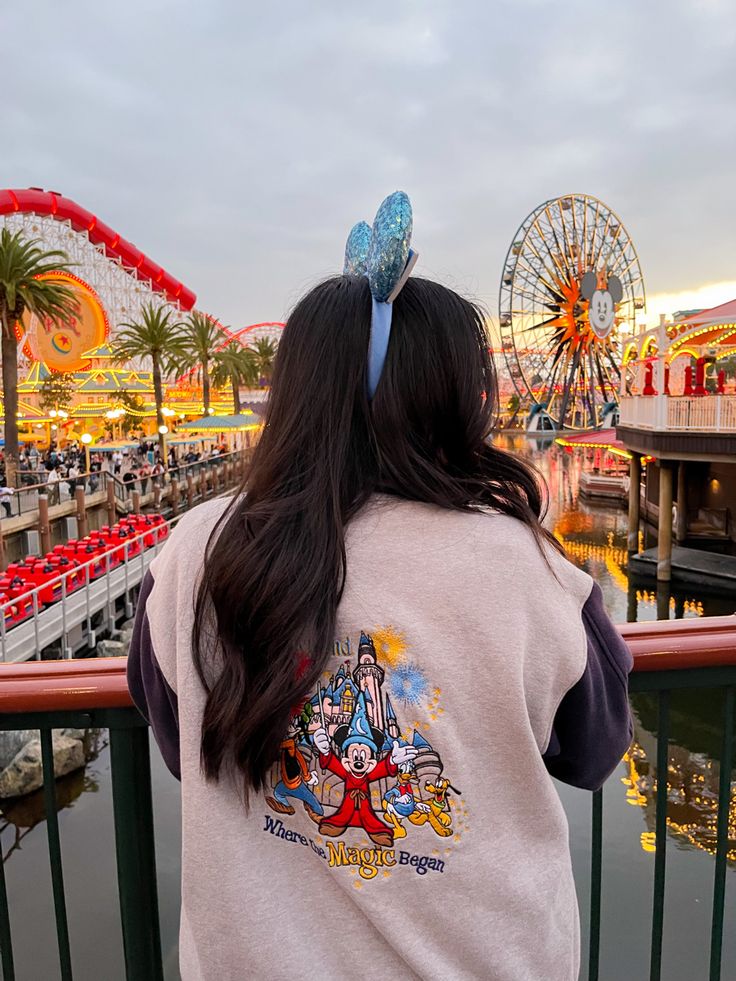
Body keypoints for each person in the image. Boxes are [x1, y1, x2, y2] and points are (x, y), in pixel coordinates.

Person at [128, 192, 632, 981]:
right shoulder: (520, 568)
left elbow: (176, 737)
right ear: (453, 400)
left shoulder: (193, 551)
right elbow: (595, 747)